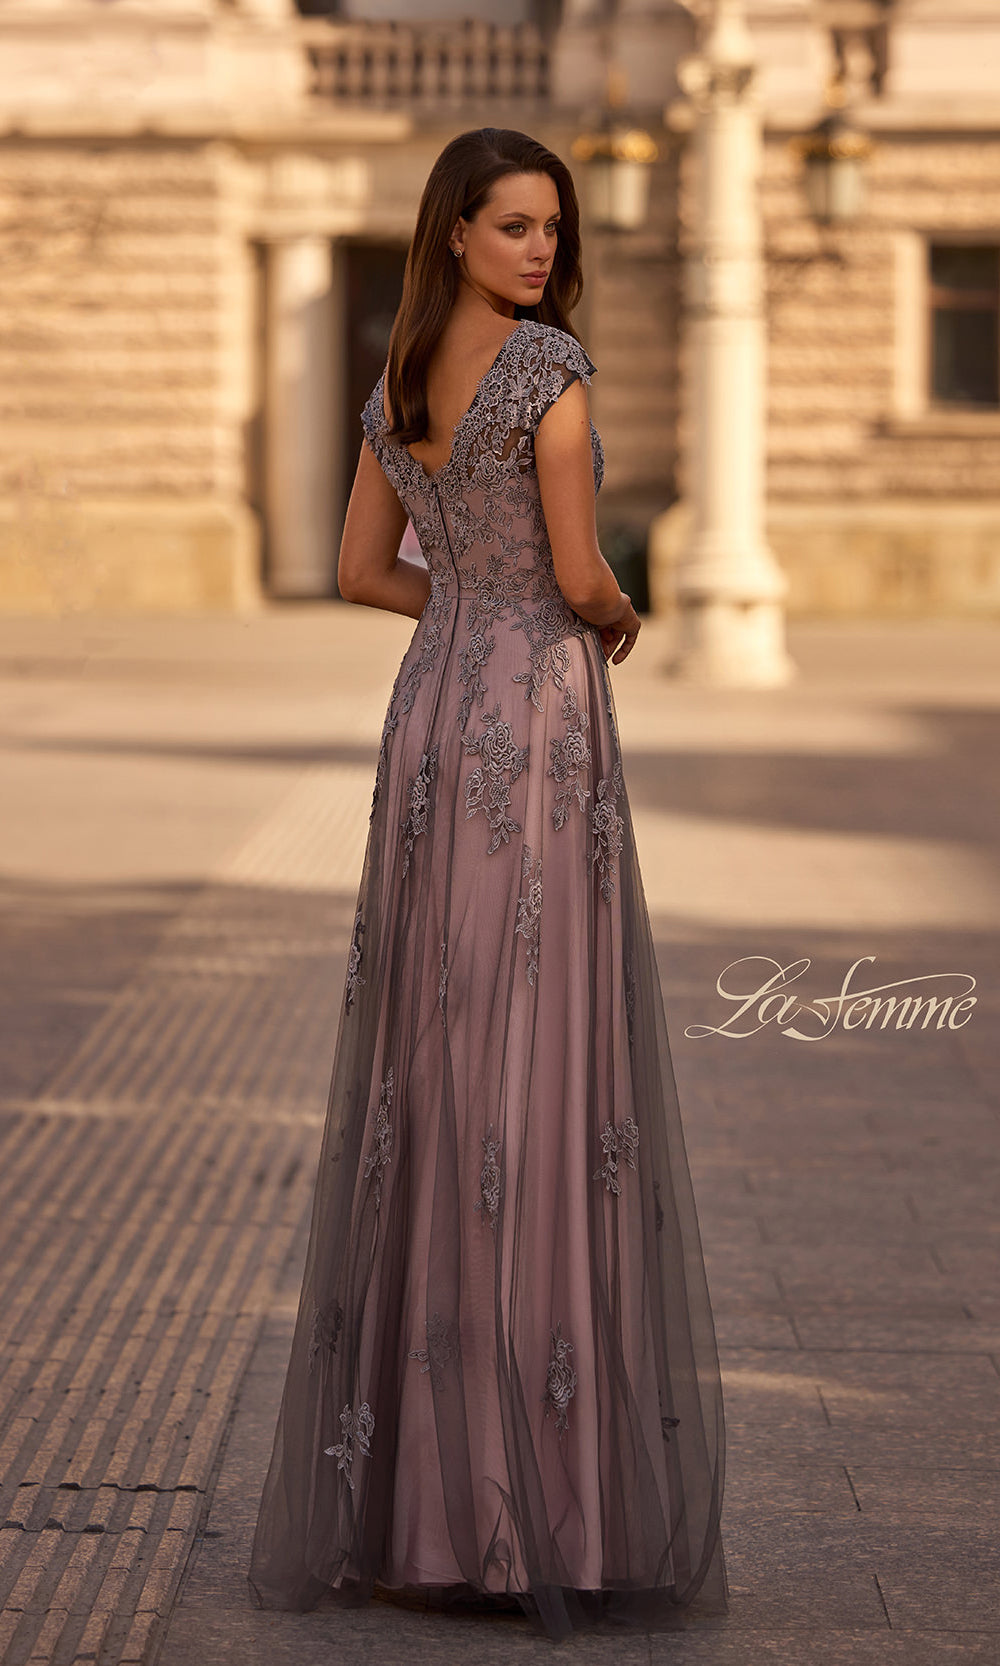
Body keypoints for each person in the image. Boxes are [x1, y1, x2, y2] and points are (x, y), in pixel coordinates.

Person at [248, 126, 728, 1644]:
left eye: (549, 229)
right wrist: (612, 609)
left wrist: (459, 594)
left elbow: (355, 570)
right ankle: (545, 1505)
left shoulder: (395, 385)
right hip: (534, 717)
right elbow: (586, 574)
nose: (538, 250)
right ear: (454, 230)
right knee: (539, 1065)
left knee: (437, 1071)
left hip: (433, 717)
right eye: (514, 225)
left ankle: (426, 1504)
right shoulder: (550, 371)